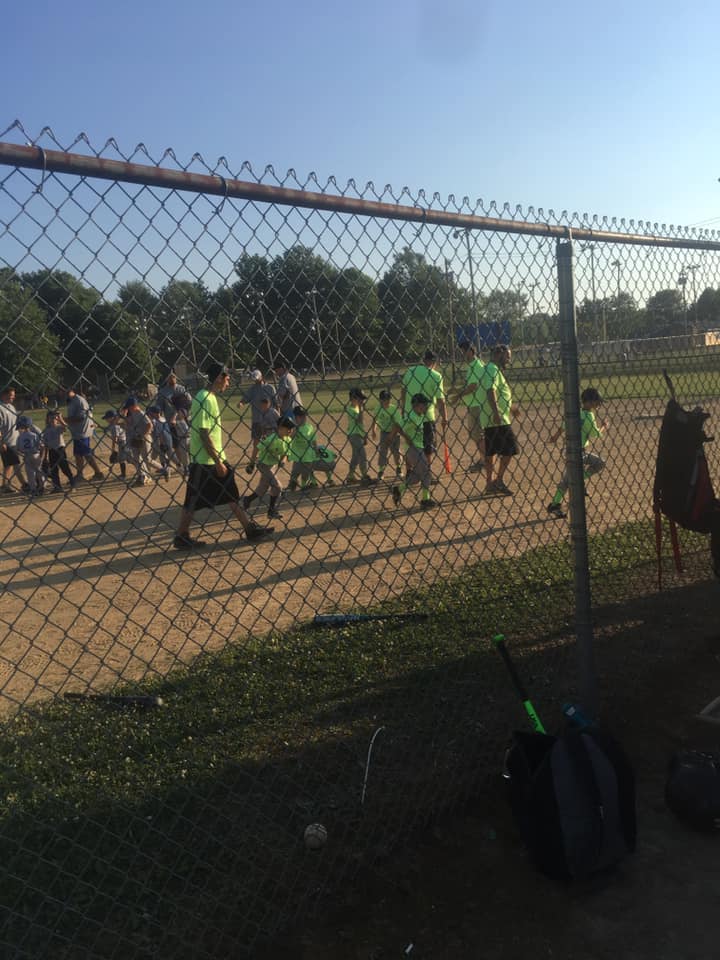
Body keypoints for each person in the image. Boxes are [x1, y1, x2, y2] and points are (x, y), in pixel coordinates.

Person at [174, 362, 273, 550]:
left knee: (231, 494)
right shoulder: (204, 398)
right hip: (205, 461)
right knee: (192, 500)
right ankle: (181, 535)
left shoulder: (209, 398)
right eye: (227, 378)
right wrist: (218, 461)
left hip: (213, 457)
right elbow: (203, 432)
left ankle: (249, 528)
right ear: (219, 377)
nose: (228, 382)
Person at [547, 388, 608, 519]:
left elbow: (563, 426)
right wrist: (604, 426)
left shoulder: (576, 412)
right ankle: (555, 504)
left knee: (597, 464)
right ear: (591, 402)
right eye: (598, 402)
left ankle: (577, 482)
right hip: (578, 453)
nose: (599, 404)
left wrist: (555, 436)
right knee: (567, 481)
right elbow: (595, 434)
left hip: (572, 451)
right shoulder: (589, 415)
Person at [480, 344, 519, 497]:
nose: (509, 360)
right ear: (499, 354)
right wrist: (496, 413)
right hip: (498, 419)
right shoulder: (492, 369)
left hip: (493, 417)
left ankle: (490, 484)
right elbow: (491, 391)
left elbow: (499, 393)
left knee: (491, 452)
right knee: (510, 449)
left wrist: (511, 407)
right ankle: (498, 480)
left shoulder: (492, 369)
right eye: (507, 356)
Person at [400, 350, 448, 470]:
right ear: (434, 362)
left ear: (423, 360)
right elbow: (441, 400)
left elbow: (403, 390)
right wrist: (445, 418)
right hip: (426, 416)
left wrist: (403, 409)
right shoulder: (436, 376)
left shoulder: (410, 371)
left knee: (410, 443)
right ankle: (427, 471)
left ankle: (409, 471)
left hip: (409, 414)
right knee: (428, 445)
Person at [388, 394, 437, 510]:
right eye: (424, 404)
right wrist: (404, 437)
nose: (426, 406)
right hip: (412, 449)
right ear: (417, 405)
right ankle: (425, 500)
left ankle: (398, 489)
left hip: (418, 448)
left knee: (416, 478)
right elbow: (397, 425)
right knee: (427, 473)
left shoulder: (420, 417)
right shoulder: (410, 416)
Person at [243, 414, 296, 519]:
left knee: (262, 488)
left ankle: (248, 499)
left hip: (273, 466)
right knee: (277, 487)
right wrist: (251, 463)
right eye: (288, 428)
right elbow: (257, 448)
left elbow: (286, 453)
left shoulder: (288, 440)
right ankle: (271, 511)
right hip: (263, 464)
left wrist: (283, 461)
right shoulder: (271, 439)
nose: (290, 430)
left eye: (292, 428)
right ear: (280, 428)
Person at [449, 341, 486, 472]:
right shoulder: (472, 366)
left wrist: (457, 396)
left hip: (477, 405)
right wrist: (454, 391)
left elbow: (473, 387)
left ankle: (484, 461)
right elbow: (469, 385)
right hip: (474, 404)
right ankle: (484, 459)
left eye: (463, 352)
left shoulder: (476, 365)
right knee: (476, 434)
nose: (462, 355)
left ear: (470, 351)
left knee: (478, 435)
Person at [288, 405, 335, 490]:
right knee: (295, 471)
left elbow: (314, 440)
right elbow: (290, 438)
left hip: (307, 455)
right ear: (295, 417)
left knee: (305, 472)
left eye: (304, 416)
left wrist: (316, 449)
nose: (303, 418)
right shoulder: (293, 428)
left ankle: (303, 485)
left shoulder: (309, 427)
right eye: (300, 417)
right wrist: (295, 429)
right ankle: (292, 483)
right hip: (297, 455)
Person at [240, 369, 277, 472]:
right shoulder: (252, 389)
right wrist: (241, 403)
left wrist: (278, 417)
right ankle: (253, 462)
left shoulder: (270, 388)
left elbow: (276, 402)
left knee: (271, 441)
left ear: (261, 377)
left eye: (257, 379)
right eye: (254, 379)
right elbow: (245, 398)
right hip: (257, 419)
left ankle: (272, 459)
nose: (256, 381)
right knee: (256, 442)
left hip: (269, 420)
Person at [66, 384, 105, 482]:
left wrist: (64, 419)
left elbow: (81, 417)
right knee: (78, 454)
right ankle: (80, 475)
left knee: (86, 454)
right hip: (77, 432)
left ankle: (98, 473)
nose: (61, 393)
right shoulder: (72, 401)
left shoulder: (78, 400)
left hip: (82, 432)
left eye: (63, 390)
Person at [344, 388, 377, 486]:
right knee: (362, 455)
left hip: (358, 435)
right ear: (353, 398)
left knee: (356, 456)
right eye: (360, 399)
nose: (362, 401)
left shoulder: (357, 408)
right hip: (354, 435)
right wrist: (361, 408)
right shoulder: (350, 409)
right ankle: (364, 476)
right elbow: (359, 420)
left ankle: (350, 476)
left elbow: (361, 425)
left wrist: (364, 436)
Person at [370, 389, 402, 481]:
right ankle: (381, 471)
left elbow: (397, 424)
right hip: (384, 433)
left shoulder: (393, 408)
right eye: (384, 399)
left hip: (395, 432)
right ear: (380, 400)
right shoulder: (377, 408)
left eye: (388, 399)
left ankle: (398, 468)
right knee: (383, 451)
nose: (387, 401)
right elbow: (375, 419)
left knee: (396, 452)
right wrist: (374, 430)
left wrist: (391, 435)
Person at [156, 372, 192, 452]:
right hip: (171, 423)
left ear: (176, 378)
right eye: (170, 377)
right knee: (176, 445)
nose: (172, 378)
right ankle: (181, 464)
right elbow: (159, 408)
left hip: (184, 419)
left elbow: (189, 402)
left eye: (174, 377)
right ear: (167, 379)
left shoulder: (181, 389)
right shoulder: (163, 392)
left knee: (189, 442)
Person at [123, 396, 154, 487]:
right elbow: (128, 425)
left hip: (145, 437)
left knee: (147, 459)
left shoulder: (140, 413)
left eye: (129, 407)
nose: (128, 408)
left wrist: (143, 435)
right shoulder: (132, 413)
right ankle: (142, 476)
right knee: (136, 457)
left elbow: (149, 425)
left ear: (133, 406)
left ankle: (164, 469)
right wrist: (124, 416)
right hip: (136, 438)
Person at [42, 409, 76, 492]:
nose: (53, 419)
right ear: (47, 419)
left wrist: (60, 419)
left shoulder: (58, 427)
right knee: (54, 470)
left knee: (65, 468)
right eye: (51, 418)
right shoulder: (45, 430)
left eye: (55, 418)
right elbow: (46, 445)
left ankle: (73, 484)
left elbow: (65, 427)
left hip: (60, 450)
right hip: (51, 451)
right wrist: (45, 456)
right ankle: (57, 487)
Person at [0, 385, 25, 493]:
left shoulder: (11, 407)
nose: (13, 397)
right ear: (4, 395)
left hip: (15, 440)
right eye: (11, 395)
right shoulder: (0, 408)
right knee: (15, 463)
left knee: (9, 465)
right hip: (6, 441)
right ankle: (24, 484)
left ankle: (5, 485)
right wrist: (1, 442)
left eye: (13, 396)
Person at [16, 415, 46, 496]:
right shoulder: (34, 435)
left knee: (30, 474)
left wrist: (23, 454)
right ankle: (42, 486)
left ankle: (33, 489)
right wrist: (41, 456)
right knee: (39, 471)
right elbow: (41, 446)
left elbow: (18, 449)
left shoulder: (20, 437)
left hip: (27, 456)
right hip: (36, 455)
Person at [102, 409, 128, 480]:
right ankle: (123, 474)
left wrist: (113, 449)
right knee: (123, 459)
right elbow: (107, 428)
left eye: (107, 418)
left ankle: (123, 476)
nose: (106, 420)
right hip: (123, 442)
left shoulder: (114, 426)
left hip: (122, 443)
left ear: (112, 418)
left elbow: (115, 439)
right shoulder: (113, 424)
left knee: (123, 459)